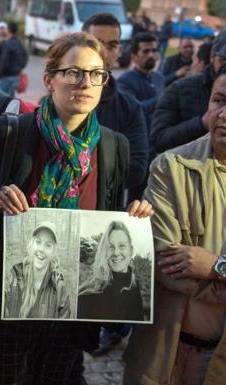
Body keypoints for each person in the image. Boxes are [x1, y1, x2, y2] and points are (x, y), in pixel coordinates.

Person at [0, 32, 153, 384]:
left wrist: (134, 218)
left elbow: (105, 217)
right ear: (49, 79)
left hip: (73, 307)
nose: (85, 83)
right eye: (73, 73)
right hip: (11, 305)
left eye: (96, 74)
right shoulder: (8, 132)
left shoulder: (114, 146)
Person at [123, 66, 226, 385]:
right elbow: (166, 264)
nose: (224, 114)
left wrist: (216, 266)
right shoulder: (172, 166)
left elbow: (196, 269)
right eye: (219, 101)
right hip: (171, 354)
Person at [82, 13, 149, 202]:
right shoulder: (58, 100)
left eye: (111, 45)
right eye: (96, 43)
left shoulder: (129, 108)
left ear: (119, 51)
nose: (103, 51)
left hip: (105, 212)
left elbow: (136, 169)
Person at [151, 30, 226, 153]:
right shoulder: (180, 89)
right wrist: (202, 123)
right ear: (212, 56)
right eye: (224, 60)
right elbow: (159, 139)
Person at [77, 221, 144, 321]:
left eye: (122, 246)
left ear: (131, 250)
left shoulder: (134, 285)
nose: (116, 253)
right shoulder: (87, 294)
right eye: (111, 247)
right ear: (104, 251)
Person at [4, 222, 71, 319]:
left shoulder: (60, 287)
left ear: (53, 251)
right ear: (32, 244)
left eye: (48, 245)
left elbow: (64, 327)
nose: (41, 249)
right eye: (38, 242)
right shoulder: (14, 277)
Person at [118, 32, 165, 136]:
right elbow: (134, 110)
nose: (151, 55)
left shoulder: (159, 77)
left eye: (154, 51)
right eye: (146, 51)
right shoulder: (124, 81)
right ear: (134, 57)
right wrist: (160, 99)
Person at [0, 21, 28, 97]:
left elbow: (4, 61)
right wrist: (20, 67)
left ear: (8, 30)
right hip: (16, 76)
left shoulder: (8, 44)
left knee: (1, 98)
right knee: (11, 99)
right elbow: (25, 56)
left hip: (6, 76)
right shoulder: (19, 43)